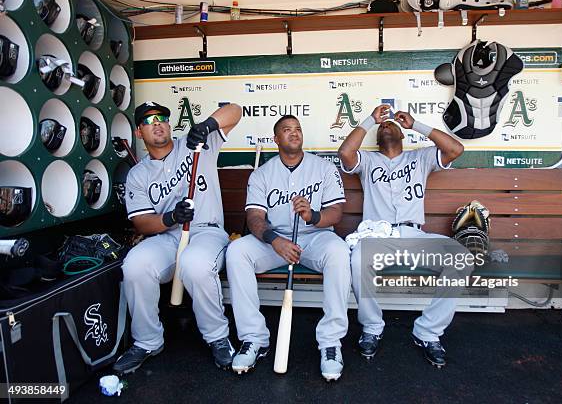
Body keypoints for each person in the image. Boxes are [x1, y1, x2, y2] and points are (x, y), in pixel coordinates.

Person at [113, 101, 242, 374]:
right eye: (148, 121)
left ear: (169, 124)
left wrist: (207, 126)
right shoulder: (138, 174)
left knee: (195, 264)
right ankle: (147, 340)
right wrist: (170, 218)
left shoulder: (195, 144)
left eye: (161, 117)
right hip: (167, 235)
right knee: (135, 265)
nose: (156, 123)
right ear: (139, 133)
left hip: (207, 231)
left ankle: (217, 337)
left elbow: (235, 110)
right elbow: (141, 222)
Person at [338, 104, 469, 368]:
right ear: (376, 136)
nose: (386, 126)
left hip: (413, 234)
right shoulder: (368, 160)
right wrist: (370, 120)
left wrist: (416, 125)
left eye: (391, 125)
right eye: (382, 127)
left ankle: (428, 332)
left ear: (403, 134)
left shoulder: (421, 158)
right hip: (378, 235)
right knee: (357, 260)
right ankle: (372, 327)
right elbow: (345, 152)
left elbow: (456, 149)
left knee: (461, 258)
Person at [226, 115, 351, 381]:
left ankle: (330, 342)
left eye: (297, 129)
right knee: (237, 252)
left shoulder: (324, 168)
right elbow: (255, 218)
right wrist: (274, 240)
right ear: (276, 139)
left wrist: (314, 216)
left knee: (339, 253)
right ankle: (253, 338)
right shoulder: (262, 174)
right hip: (277, 240)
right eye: (286, 130)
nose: (294, 133)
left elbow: (336, 212)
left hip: (316, 237)